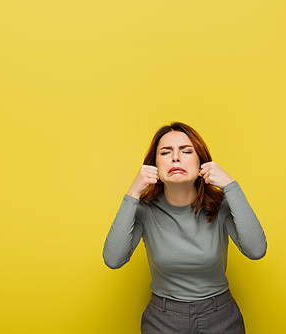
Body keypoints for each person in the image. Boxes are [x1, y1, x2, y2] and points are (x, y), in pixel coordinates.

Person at [103, 122, 267, 334]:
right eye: (165, 152)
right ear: (154, 165)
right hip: (162, 319)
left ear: (202, 162)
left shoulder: (221, 206)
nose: (175, 158)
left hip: (220, 317)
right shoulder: (145, 211)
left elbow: (256, 250)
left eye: (186, 151)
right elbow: (113, 259)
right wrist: (132, 194)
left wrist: (230, 185)